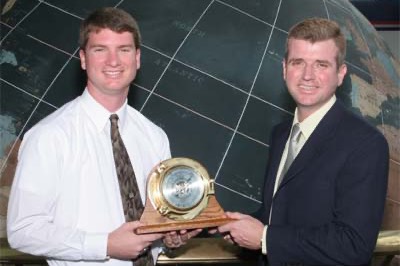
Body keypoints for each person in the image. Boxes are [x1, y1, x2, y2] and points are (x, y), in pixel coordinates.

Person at [7, 7, 198, 266]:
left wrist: (171, 238)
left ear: (138, 58)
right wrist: (105, 245)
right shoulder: (49, 136)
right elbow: (22, 231)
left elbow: (158, 221)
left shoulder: (154, 136)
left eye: (124, 49)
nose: (113, 61)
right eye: (100, 49)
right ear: (84, 59)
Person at [216, 18, 389, 265]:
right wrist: (233, 224)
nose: (308, 75)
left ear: (340, 74)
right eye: (299, 63)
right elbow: (280, 215)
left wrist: (265, 238)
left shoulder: (365, 144)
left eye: (321, 65)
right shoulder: (281, 134)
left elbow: (354, 244)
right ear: (285, 68)